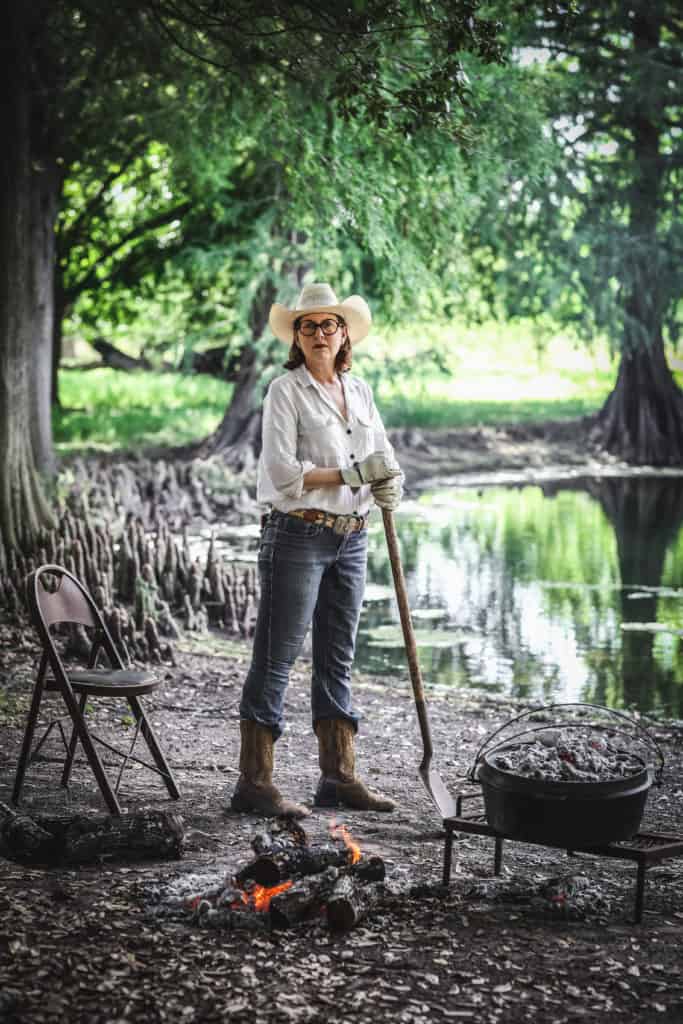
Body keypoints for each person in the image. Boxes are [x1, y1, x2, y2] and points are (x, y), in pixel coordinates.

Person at [230, 282, 403, 818]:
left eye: (330, 324)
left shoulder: (362, 391)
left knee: (338, 658)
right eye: (309, 326)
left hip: (353, 537)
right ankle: (255, 784)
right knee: (276, 658)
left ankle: (338, 778)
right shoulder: (285, 391)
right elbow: (281, 474)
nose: (321, 334)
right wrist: (350, 473)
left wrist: (391, 480)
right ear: (297, 338)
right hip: (298, 535)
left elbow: (383, 456)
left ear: (344, 333)